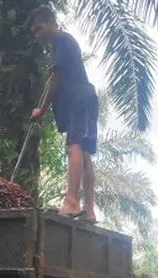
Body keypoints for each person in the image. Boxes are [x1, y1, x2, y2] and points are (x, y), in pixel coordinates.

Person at [28, 5, 98, 223]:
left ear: (51, 22)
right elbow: (54, 76)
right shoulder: (61, 47)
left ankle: (71, 202)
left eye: (39, 29)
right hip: (84, 101)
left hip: (80, 100)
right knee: (84, 153)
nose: (37, 35)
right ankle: (89, 210)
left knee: (73, 147)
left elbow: (56, 80)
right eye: (34, 32)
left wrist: (42, 108)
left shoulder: (62, 41)